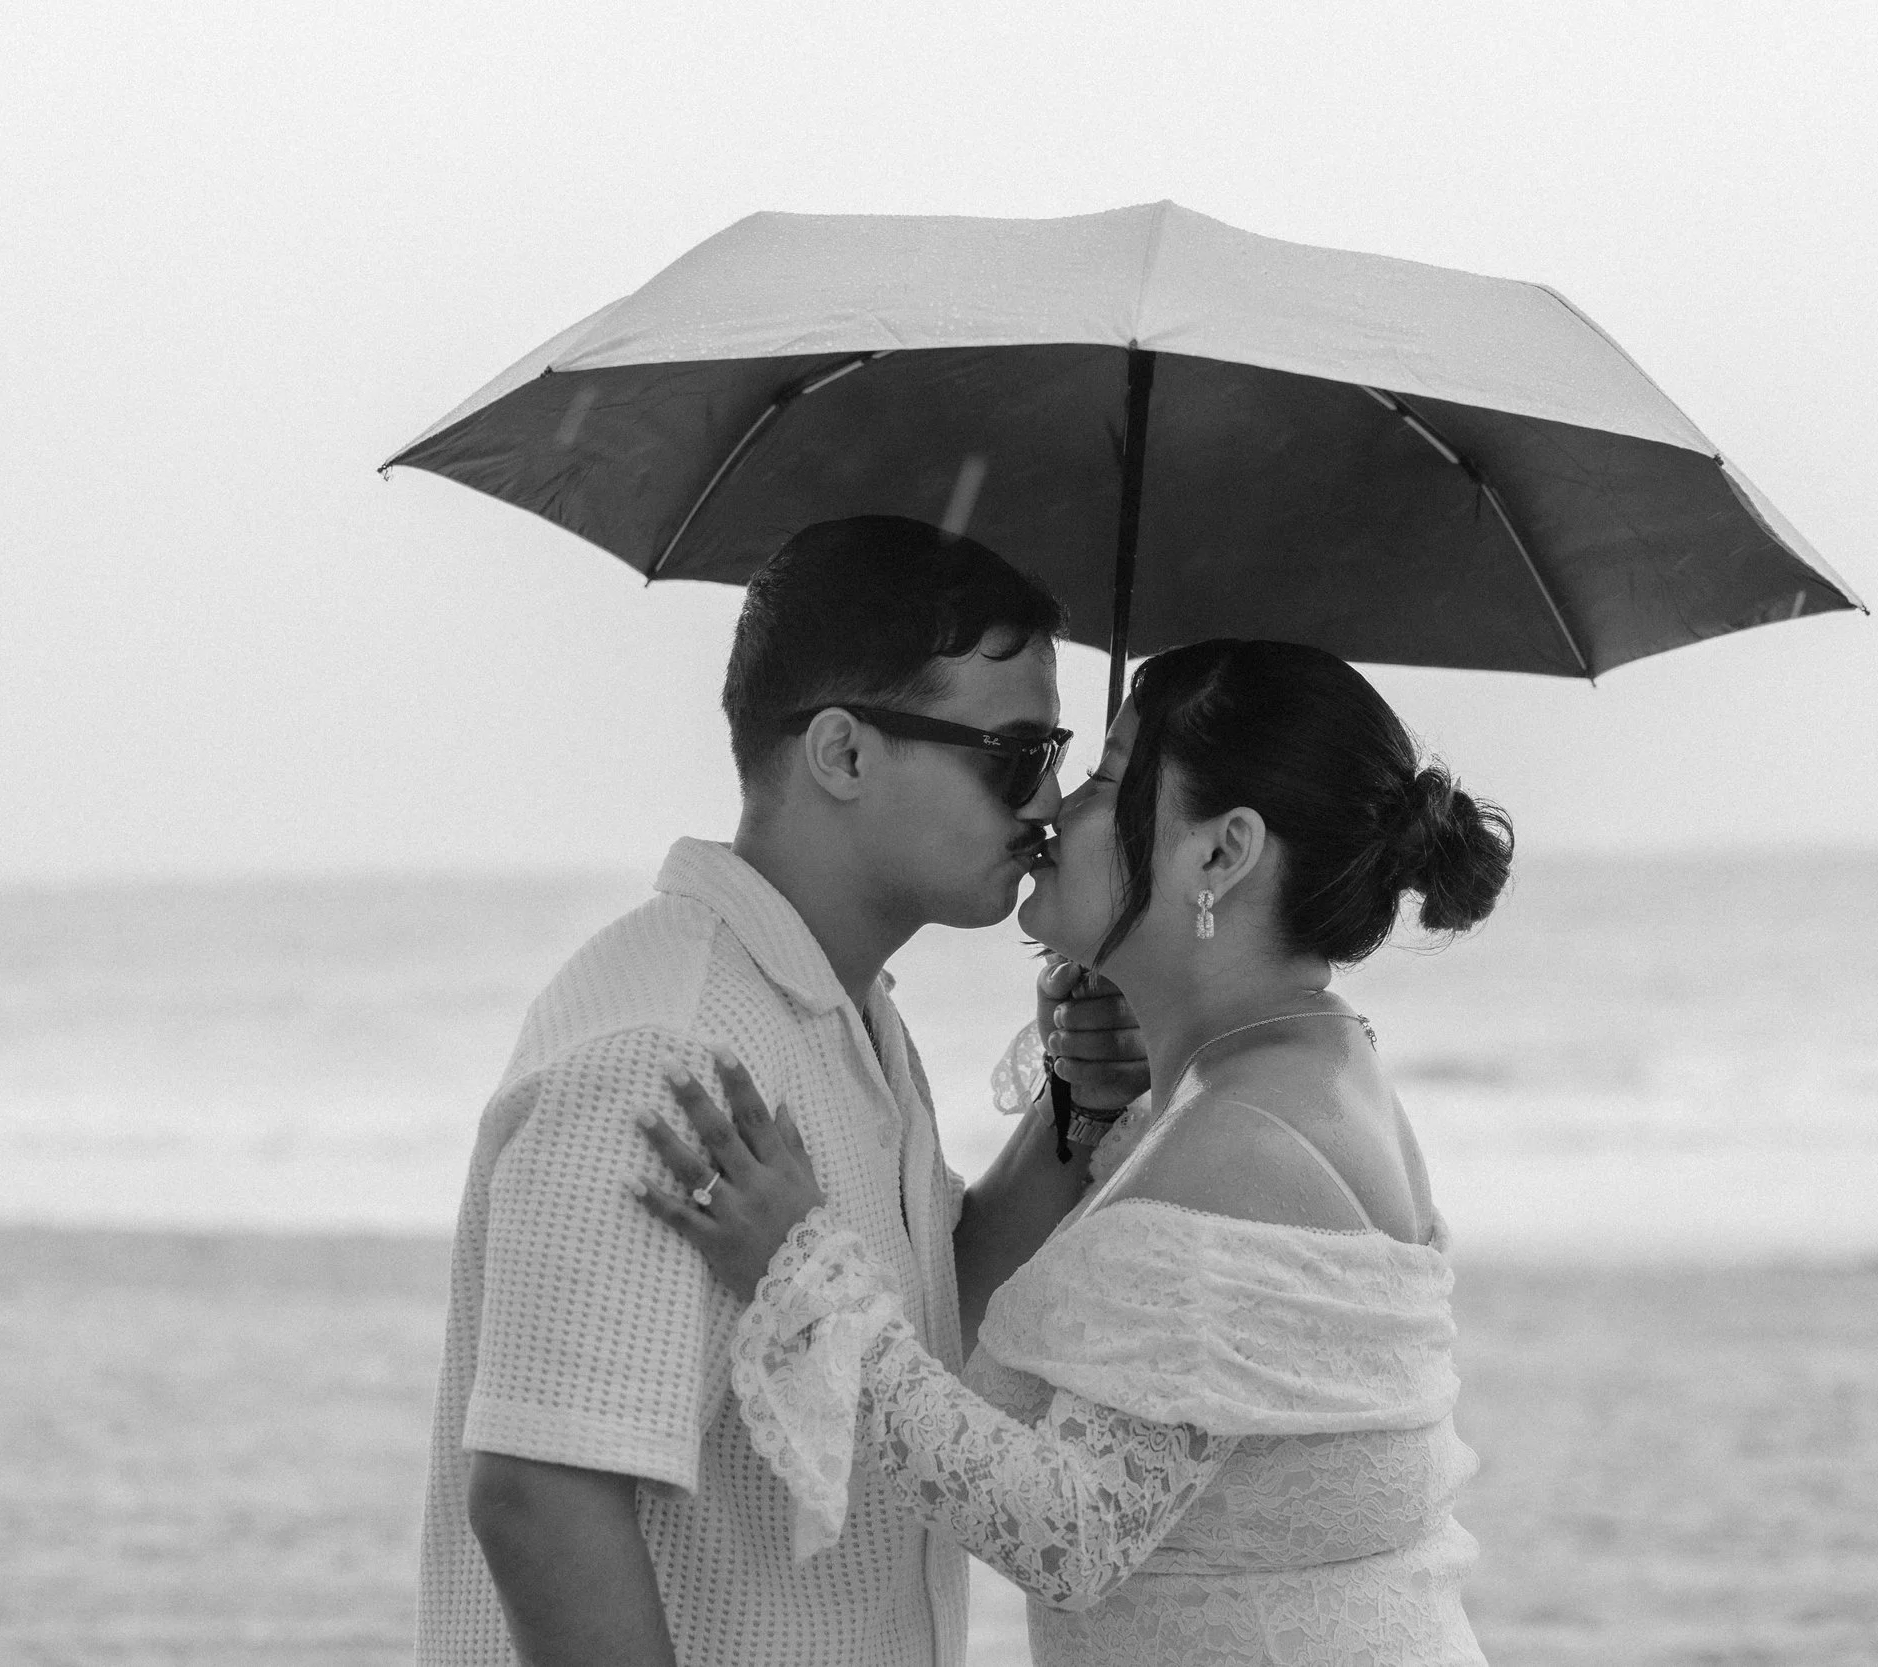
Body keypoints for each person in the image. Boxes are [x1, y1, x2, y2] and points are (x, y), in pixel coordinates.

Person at [640, 637, 1512, 1666]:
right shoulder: (1287, 1071)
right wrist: (1087, 1100)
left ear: (1221, 852)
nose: (1055, 806)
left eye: (1108, 775)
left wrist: (797, 1270)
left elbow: (1072, 1531)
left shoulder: (1240, 1146)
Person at [415, 515, 1147, 1667]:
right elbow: (540, 1490)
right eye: (1013, 754)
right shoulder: (669, 1047)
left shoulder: (838, 1006)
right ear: (844, 753)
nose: (1050, 801)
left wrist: (1069, 1115)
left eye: (1051, 750)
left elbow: (893, 1319)